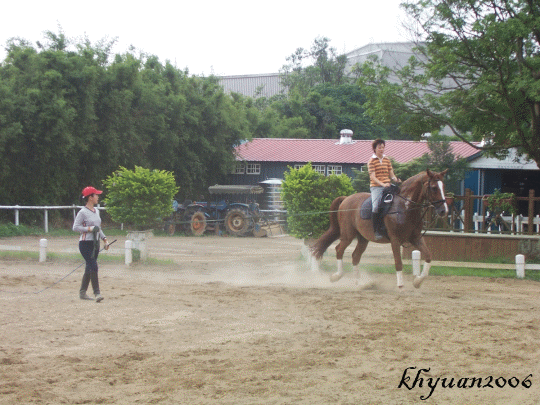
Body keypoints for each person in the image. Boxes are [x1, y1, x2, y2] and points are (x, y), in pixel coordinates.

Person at [73, 186, 109, 302]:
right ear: (90, 197)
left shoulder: (96, 211)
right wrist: (89, 228)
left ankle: (82, 292)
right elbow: (75, 227)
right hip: (85, 244)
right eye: (96, 195)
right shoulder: (82, 212)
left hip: (95, 243)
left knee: (89, 267)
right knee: (93, 266)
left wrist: (104, 239)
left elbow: (98, 228)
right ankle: (97, 293)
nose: (98, 197)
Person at [367, 139, 400, 240]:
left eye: (383, 147)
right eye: (379, 147)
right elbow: (373, 177)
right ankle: (376, 230)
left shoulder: (387, 159)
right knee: (376, 206)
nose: (381, 149)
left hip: (387, 185)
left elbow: (391, 172)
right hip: (376, 187)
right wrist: (382, 184)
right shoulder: (371, 161)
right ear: (374, 149)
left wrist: (395, 179)